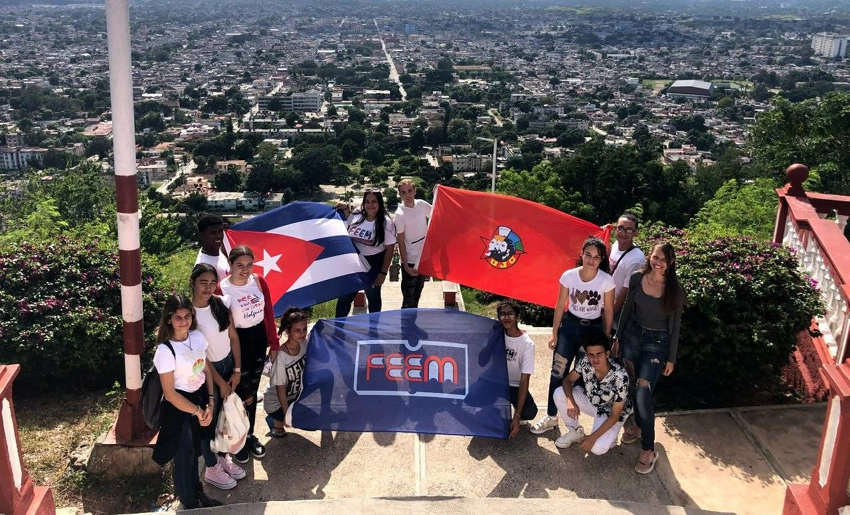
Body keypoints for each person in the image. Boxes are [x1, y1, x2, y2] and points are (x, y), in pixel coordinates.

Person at [530, 237, 615, 435]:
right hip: (569, 327)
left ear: (601, 260)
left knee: (579, 377)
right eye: (588, 255)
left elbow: (609, 311)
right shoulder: (569, 276)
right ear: (581, 254)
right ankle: (551, 417)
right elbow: (560, 305)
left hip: (592, 332)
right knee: (558, 372)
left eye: (596, 257)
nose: (591, 260)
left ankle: (572, 424)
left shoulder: (606, 280)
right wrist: (554, 333)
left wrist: (606, 338)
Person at [616, 242, 685, 474]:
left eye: (663, 260)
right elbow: (626, 309)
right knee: (631, 386)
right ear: (650, 256)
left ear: (670, 263)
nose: (658, 262)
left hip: (656, 345)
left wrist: (671, 358)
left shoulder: (675, 289)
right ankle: (636, 425)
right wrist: (617, 337)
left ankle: (648, 449)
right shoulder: (637, 278)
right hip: (632, 337)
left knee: (643, 394)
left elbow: (675, 327)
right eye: (656, 257)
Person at [151, 294, 222, 509]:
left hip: (200, 397)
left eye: (187, 316)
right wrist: (198, 411)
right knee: (184, 455)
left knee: (195, 450)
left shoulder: (197, 337)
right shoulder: (165, 350)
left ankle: (197, 492)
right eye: (178, 317)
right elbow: (170, 393)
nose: (183, 321)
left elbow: (206, 369)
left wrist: (210, 400)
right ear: (169, 320)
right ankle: (189, 501)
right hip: (180, 405)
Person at [219, 245, 279, 463]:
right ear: (230, 266)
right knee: (236, 391)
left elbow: (268, 313)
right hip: (236, 342)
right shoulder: (222, 289)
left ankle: (249, 433)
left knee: (252, 391)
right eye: (239, 265)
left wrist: (274, 343)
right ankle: (235, 438)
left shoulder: (259, 281)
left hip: (258, 338)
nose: (245, 270)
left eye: (249, 265)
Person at [189, 264, 246, 490]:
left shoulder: (220, 304)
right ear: (192, 282)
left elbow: (233, 337)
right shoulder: (189, 313)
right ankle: (211, 467)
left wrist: (237, 371)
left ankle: (222, 457)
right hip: (206, 372)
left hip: (228, 365)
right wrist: (220, 383)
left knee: (225, 416)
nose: (209, 287)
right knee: (208, 420)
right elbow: (200, 355)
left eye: (213, 283)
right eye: (204, 282)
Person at [552, 331, 632, 454]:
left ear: (607, 354)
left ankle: (611, 437)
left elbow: (615, 416)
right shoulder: (585, 362)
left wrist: (592, 437)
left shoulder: (620, 376)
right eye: (591, 354)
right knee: (559, 393)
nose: (594, 359)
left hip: (611, 414)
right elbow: (567, 381)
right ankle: (574, 431)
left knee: (597, 448)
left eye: (599, 354)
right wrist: (571, 401)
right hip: (593, 403)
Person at [335, 190, 397, 317]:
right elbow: (348, 222)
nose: (370, 205)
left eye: (374, 201)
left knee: (373, 299)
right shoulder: (357, 213)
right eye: (367, 202)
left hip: (373, 265)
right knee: (344, 299)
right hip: (354, 264)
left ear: (380, 203)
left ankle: (373, 330)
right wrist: (346, 208)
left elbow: (390, 249)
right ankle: (338, 330)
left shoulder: (386, 223)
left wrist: (383, 273)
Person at [264, 308, 309, 438]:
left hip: (294, 395)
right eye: (297, 331)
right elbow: (280, 388)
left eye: (304, 329)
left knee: (311, 418)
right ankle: (275, 421)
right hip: (276, 401)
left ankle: (280, 418)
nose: (302, 334)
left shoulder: (304, 343)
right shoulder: (281, 356)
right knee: (298, 421)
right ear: (288, 331)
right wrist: (286, 414)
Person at [497, 300, 538, 438]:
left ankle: (514, 407)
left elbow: (524, 380)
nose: (506, 317)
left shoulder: (527, 344)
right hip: (496, 382)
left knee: (530, 412)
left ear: (517, 317)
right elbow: (482, 360)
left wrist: (517, 416)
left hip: (514, 385)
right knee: (472, 400)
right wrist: (491, 337)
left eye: (510, 314)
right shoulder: (497, 334)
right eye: (502, 314)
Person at [394, 179, 432, 309]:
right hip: (410, 261)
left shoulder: (421, 204)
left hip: (423, 259)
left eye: (410, 191)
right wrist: (406, 267)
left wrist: (436, 193)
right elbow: (401, 242)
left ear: (415, 191)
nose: (408, 195)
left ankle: (412, 324)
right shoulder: (399, 215)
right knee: (408, 299)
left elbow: (437, 214)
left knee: (417, 294)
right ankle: (405, 326)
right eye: (404, 192)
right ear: (400, 195)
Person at [609, 213, 645, 332]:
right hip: (606, 305)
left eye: (629, 230)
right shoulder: (615, 245)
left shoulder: (636, 260)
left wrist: (609, 315)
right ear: (615, 228)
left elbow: (625, 293)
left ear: (635, 233)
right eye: (620, 228)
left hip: (617, 313)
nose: (623, 233)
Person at [195, 214, 229, 282]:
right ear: (202, 235)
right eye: (213, 233)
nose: (218, 236)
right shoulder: (204, 266)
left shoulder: (216, 251)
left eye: (220, 231)